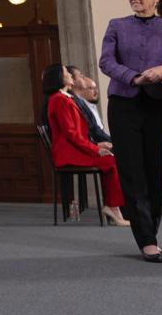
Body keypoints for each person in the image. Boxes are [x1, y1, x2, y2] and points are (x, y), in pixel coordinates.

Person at [98, 0, 162, 263]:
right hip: (123, 105)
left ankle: (150, 232)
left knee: (153, 171)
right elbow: (106, 62)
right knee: (132, 172)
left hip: (156, 105)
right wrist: (134, 77)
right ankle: (147, 240)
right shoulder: (117, 25)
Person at [41, 63, 128, 227]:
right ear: (59, 78)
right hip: (68, 154)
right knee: (112, 161)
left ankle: (113, 207)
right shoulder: (58, 100)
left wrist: (97, 145)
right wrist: (95, 150)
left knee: (112, 160)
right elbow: (71, 134)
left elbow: (78, 134)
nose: (70, 75)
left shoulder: (64, 98)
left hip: (74, 149)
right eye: (66, 72)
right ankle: (113, 208)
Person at [67, 65, 112, 144]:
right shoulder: (71, 101)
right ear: (72, 80)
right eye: (80, 75)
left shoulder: (78, 101)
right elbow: (91, 130)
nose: (83, 78)